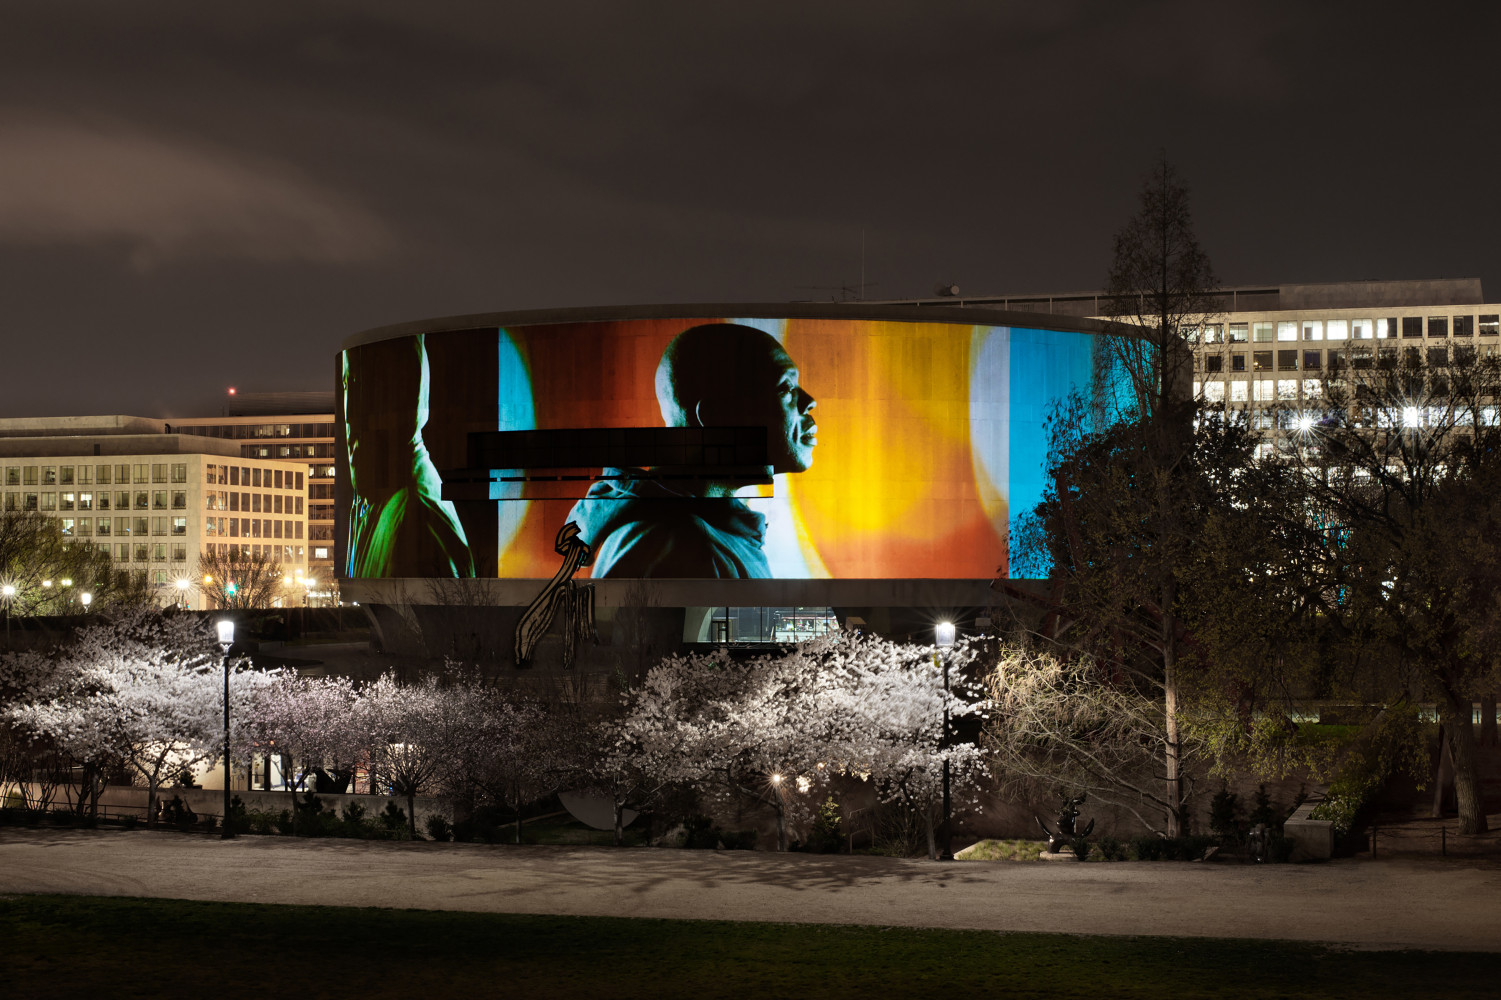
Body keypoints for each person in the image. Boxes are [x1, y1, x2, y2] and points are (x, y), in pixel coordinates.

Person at [568, 323, 816, 578]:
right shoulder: (668, 546)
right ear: (717, 416)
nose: (810, 402)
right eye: (785, 387)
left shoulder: (707, 537)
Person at [344, 335, 475, 578]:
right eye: (347, 385)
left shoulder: (418, 518)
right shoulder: (376, 505)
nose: (350, 414)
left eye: (368, 386)